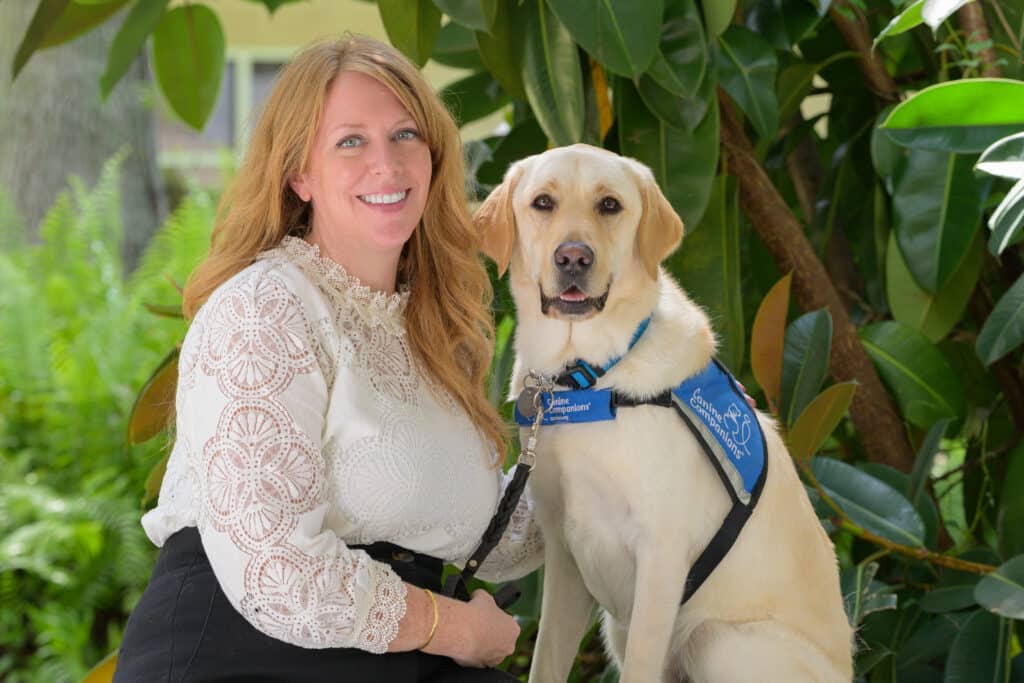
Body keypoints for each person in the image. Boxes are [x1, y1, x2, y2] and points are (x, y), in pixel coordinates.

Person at [114, 34, 543, 683]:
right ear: (299, 173)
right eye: (351, 141)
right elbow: (276, 571)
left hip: (398, 654)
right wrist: (455, 626)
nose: (388, 164)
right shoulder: (263, 307)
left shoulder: (433, 330)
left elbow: (488, 534)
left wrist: (617, 432)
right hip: (242, 655)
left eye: (405, 135)